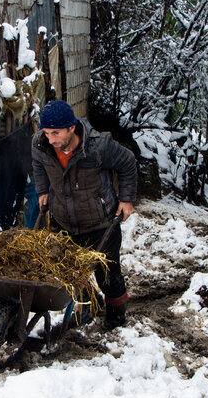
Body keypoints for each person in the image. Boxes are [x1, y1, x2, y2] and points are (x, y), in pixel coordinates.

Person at [31, 100, 137, 329]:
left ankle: (116, 319)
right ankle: (89, 304)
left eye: (56, 133)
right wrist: (42, 191)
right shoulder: (41, 145)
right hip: (63, 222)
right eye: (46, 133)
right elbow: (38, 164)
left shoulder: (98, 148)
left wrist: (126, 199)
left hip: (100, 224)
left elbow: (127, 162)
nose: (51, 139)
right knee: (67, 272)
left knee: (108, 277)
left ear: (72, 128)